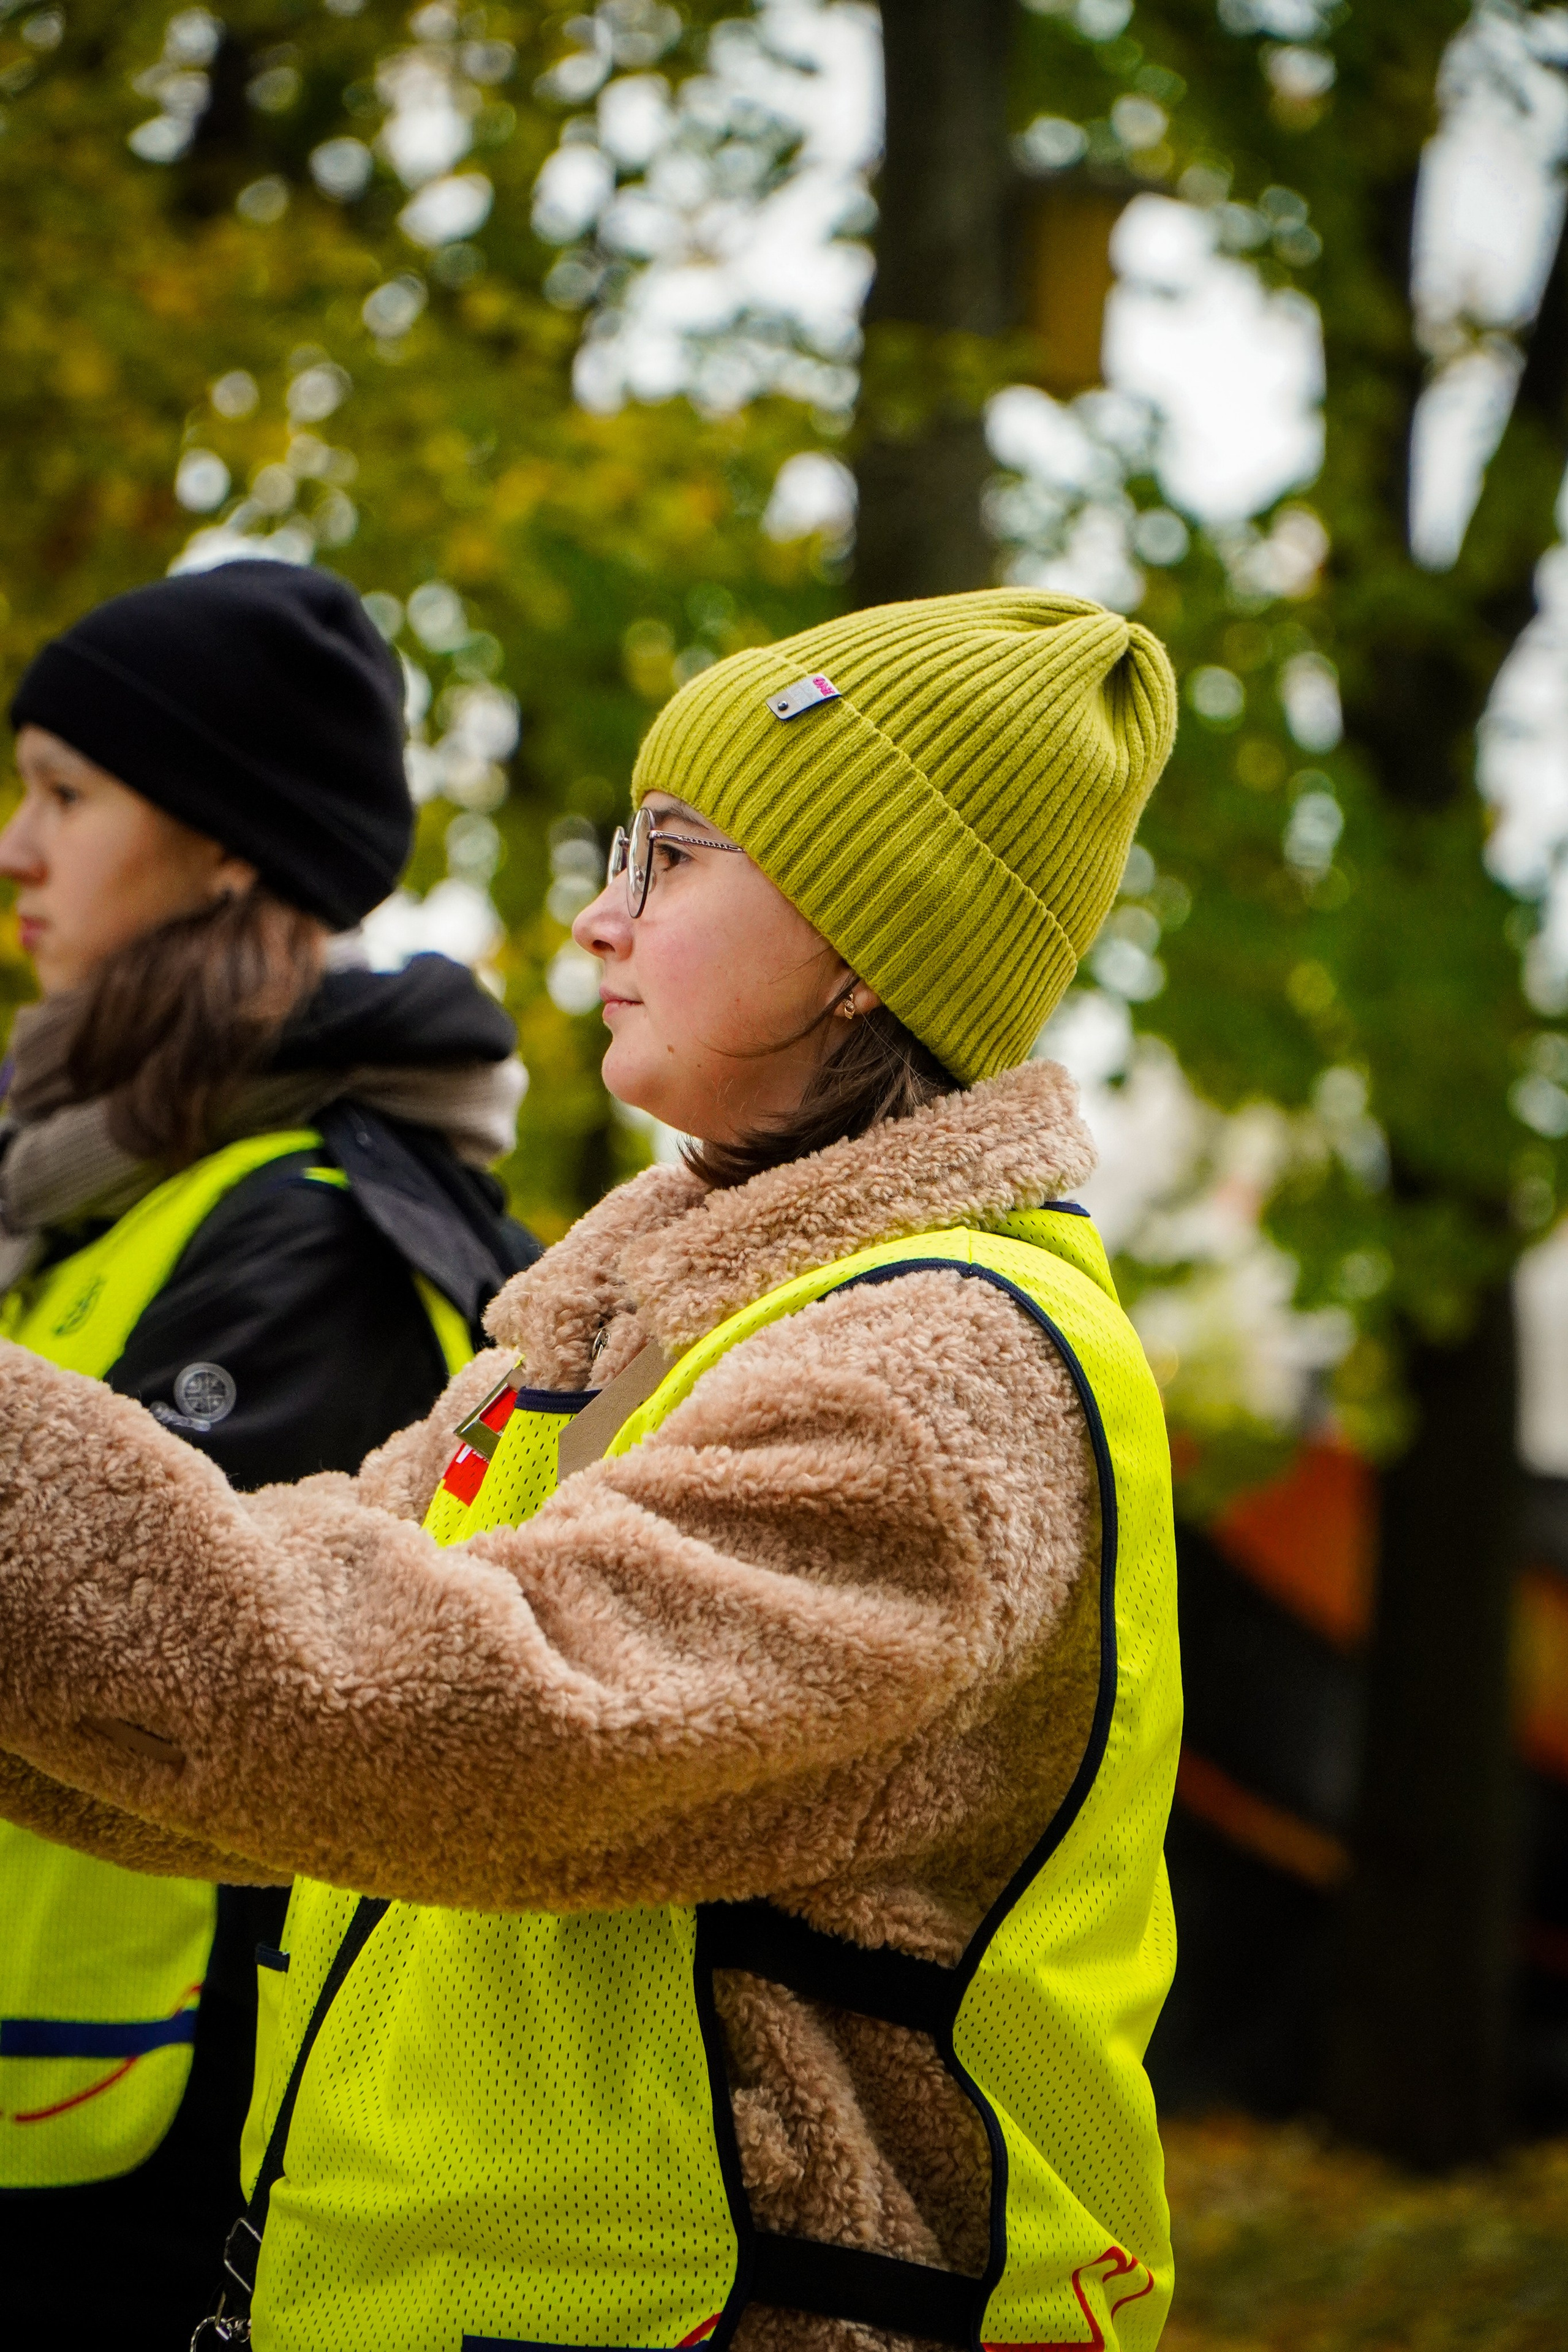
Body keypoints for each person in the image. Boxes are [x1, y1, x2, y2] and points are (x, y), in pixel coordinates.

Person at [0, 589, 1180, 2352]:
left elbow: (472, 1727)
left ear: (867, 937)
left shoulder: (935, 1377)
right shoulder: (627, 1318)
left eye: (674, 860)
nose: (596, 919)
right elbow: (251, 1706)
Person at [0, 559, 537, 2348]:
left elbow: (229, 1709)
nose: (17, 846)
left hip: (130, 2160)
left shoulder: (316, 1229)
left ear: (228, 844)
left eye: (67, 794)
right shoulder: (97, 1185)